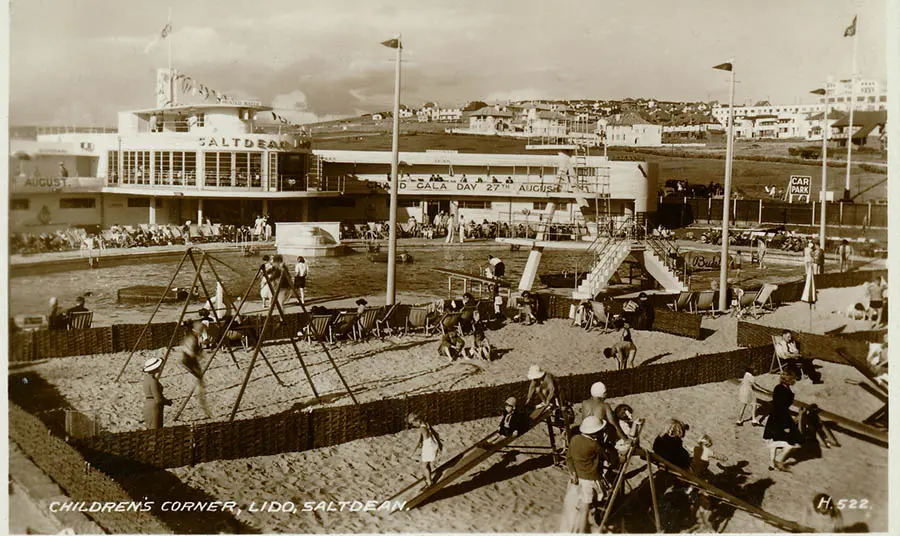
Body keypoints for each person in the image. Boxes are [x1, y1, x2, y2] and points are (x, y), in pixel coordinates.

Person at [559, 416, 612, 533]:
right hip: (590, 481)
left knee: (580, 507)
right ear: (595, 433)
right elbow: (605, 456)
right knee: (585, 511)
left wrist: (573, 472)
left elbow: (569, 458)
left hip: (577, 478)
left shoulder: (574, 439)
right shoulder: (594, 445)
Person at [763, 369, 802, 472]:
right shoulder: (785, 391)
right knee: (792, 442)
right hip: (782, 418)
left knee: (774, 440)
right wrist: (787, 425)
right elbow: (782, 408)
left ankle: (772, 463)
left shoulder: (778, 387)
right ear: (790, 380)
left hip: (774, 417)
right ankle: (778, 459)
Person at [180, 320, 212, 418]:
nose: (202, 332)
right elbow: (190, 352)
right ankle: (203, 404)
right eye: (201, 330)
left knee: (200, 381)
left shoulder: (192, 336)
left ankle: (203, 401)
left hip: (190, 360)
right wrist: (199, 355)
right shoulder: (193, 339)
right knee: (200, 383)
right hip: (189, 361)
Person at [408, 413, 442, 487]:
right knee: (427, 464)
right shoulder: (426, 424)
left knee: (424, 466)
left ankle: (429, 482)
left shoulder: (422, 428)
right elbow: (433, 433)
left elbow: (421, 438)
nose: (413, 426)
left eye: (413, 424)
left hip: (428, 447)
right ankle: (429, 479)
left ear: (416, 421)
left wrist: (414, 450)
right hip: (430, 445)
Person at [142, 357, 171, 430]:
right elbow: (158, 400)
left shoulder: (146, 379)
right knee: (156, 430)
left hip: (148, 405)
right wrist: (167, 402)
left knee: (150, 429)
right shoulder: (153, 381)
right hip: (154, 408)